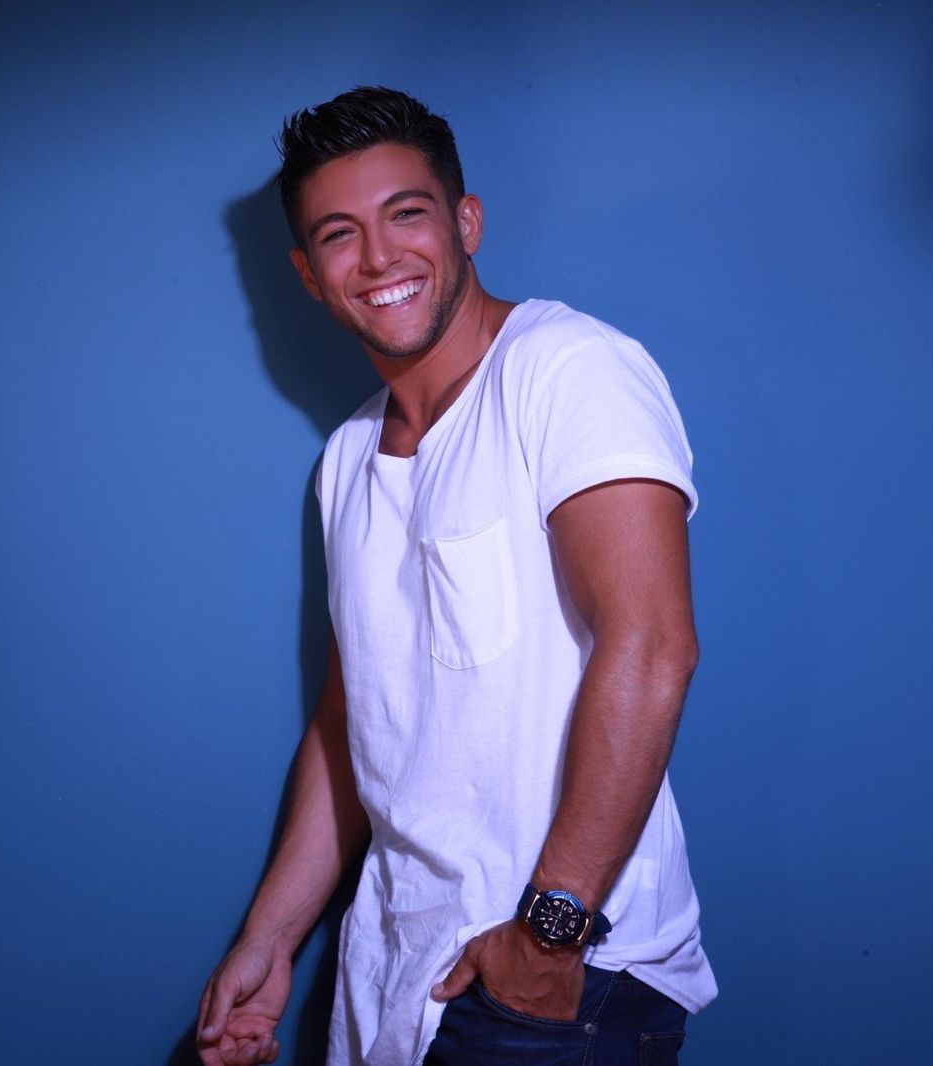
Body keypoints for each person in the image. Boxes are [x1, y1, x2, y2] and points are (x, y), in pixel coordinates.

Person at [194, 87, 717, 1066]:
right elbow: (351, 725)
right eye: (339, 235)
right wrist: (269, 938)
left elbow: (652, 647)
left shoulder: (566, 369)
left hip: (555, 978)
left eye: (407, 214)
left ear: (465, 222)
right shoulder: (347, 460)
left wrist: (549, 936)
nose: (378, 258)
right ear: (308, 274)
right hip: (394, 976)